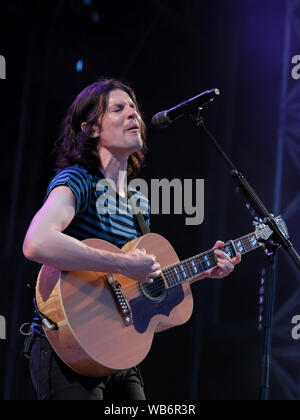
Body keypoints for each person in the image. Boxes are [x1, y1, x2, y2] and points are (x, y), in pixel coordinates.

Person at [22, 78, 241, 400]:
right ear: (91, 129)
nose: (132, 114)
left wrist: (203, 270)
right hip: (69, 348)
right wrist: (124, 262)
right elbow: (37, 242)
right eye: (118, 108)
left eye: (134, 107)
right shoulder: (77, 180)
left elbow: (141, 285)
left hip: (119, 353)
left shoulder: (139, 204)